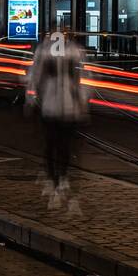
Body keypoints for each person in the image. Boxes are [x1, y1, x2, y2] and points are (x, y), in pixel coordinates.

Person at [26, 28, 88, 211]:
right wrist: (82, 103)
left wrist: (31, 99)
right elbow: (82, 78)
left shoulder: (45, 51)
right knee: (63, 145)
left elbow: (34, 77)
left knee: (52, 144)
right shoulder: (74, 52)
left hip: (53, 106)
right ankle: (61, 179)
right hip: (66, 107)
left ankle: (56, 180)